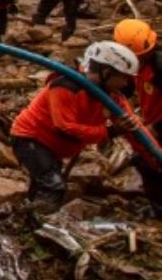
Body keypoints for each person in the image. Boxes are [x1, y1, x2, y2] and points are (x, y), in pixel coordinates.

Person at [11, 40, 138, 216]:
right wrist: (109, 131)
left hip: (54, 148)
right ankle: (36, 227)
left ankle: (27, 220)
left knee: (43, 185)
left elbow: (134, 124)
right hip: (31, 139)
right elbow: (64, 127)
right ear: (107, 71)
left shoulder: (111, 95)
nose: (125, 83)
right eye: (123, 77)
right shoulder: (66, 86)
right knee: (53, 186)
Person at [114, 20, 162, 215]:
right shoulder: (140, 66)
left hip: (159, 124)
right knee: (145, 161)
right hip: (153, 121)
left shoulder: (159, 68)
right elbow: (128, 86)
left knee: (149, 162)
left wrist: (156, 129)